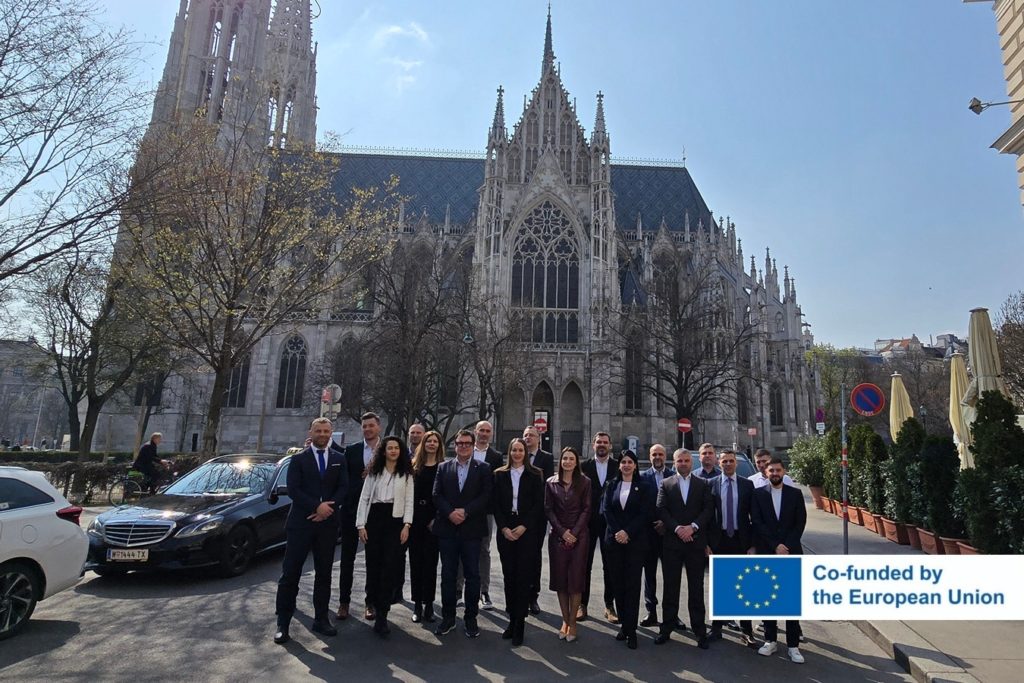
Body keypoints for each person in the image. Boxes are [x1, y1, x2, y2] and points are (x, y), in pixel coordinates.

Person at [274, 418, 348, 645]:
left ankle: (321, 619)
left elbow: (344, 487)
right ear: (311, 432)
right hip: (301, 523)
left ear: (331, 433)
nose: (322, 434)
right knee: (290, 574)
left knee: (324, 574)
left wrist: (327, 509)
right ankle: (283, 623)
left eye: (326, 431)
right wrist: (316, 507)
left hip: (327, 525)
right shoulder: (298, 459)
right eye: (318, 431)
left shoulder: (339, 459)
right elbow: (294, 489)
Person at [433, 429, 494, 638]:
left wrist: (466, 511)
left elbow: (486, 495)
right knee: (448, 575)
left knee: (473, 575)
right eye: (460, 443)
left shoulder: (483, 468)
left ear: (473, 445)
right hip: (448, 529)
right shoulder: (443, 467)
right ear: (455, 445)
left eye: (468, 443)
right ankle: (448, 618)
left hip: (472, 529)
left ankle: (471, 618)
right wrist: (450, 513)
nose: (464, 446)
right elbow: (436, 494)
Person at [357, 435, 415, 638]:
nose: (393, 451)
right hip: (374, 519)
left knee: (389, 567)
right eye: (389, 448)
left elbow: (409, 501)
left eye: (396, 448)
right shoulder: (374, 472)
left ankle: (383, 614)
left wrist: (407, 525)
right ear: (383, 451)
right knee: (373, 564)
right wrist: (361, 525)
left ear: (400, 451)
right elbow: (364, 498)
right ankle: (370, 601)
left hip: (395, 521)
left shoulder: (406, 474)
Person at [655, 448, 713, 649]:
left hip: (695, 543)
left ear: (691, 462)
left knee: (696, 589)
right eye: (680, 460)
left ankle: (699, 630)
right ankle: (666, 628)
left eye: (687, 460)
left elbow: (708, 510)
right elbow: (661, 509)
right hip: (672, 543)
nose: (683, 463)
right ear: (674, 462)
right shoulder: (666, 483)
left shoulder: (703, 484)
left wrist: (693, 527)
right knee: (670, 588)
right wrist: (678, 528)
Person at [752, 457, 807, 664]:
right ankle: (770, 640)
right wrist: (775, 545)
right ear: (766, 473)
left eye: (778, 470)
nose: (774, 473)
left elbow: (800, 522)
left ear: (784, 471)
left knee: (791, 600)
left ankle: (793, 646)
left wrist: (786, 546)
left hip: (790, 552)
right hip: (768, 551)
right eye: (771, 470)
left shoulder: (795, 494)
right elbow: (757, 523)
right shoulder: (758, 494)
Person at [492, 437, 545, 646]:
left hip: (526, 530)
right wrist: (504, 528)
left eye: (520, 450)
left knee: (523, 577)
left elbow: (538, 505)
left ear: (525, 453)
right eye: (514, 450)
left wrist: (524, 526)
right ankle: (511, 620)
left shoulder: (535, 474)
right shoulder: (499, 474)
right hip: (506, 529)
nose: (517, 453)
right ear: (509, 452)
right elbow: (495, 504)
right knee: (509, 577)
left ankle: (520, 624)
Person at [601, 449, 654, 650]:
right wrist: (618, 532)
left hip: (635, 542)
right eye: (623, 462)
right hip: (614, 542)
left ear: (635, 465)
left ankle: (631, 631)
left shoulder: (644, 486)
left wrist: (627, 532)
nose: (626, 465)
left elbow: (645, 513)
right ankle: (624, 625)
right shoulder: (611, 485)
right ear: (619, 465)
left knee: (632, 586)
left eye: (630, 462)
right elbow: (607, 510)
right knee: (618, 585)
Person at [707, 449, 758, 646]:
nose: (728, 464)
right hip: (719, 540)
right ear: (718, 463)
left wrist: (753, 544)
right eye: (724, 461)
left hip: (740, 540)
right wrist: (707, 543)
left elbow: (754, 517)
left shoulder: (747, 485)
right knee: (720, 585)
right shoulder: (711, 484)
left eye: (731, 461)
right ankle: (716, 628)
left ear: (736, 463)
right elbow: (708, 516)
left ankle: (746, 630)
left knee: (745, 585)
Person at [545, 446, 591, 642]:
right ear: (560, 461)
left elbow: (587, 509)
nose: (568, 462)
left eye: (571, 459)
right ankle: (564, 620)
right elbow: (548, 509)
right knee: (561, 580)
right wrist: (563, 532)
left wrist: (574, 532)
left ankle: (573, 623)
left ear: (576, 462)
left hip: (579, 537)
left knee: (575, 581)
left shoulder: (585, 482)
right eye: (565, 458)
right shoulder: (551, 482)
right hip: (558, 536)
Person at [339, 412, 382, 621]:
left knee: (373, 560)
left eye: (371, 425)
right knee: (347, 559)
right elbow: (344, 480)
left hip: (377, 513)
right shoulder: (352, 450)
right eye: (364, 426)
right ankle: (344, 602)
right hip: (351, 511)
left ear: (378, 427)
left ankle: (370, 602)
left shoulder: (387, 449)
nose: (367, 429)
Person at [580, 431, 618, 623]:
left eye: (605, 442)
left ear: (610, 445)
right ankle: (582, 604)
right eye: (598, 442)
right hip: (588, 522)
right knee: (584, 564)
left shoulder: (618, 466)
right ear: (593, 445)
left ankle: (609, 605)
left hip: (610, 523)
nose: (601, 445)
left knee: (610, 565)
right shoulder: (584, 466)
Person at [409, 429, 444, 624]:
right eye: (428, 441)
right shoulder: (414, 467)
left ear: (439, 445)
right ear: (423, 444)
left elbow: (445, 496)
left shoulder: (444, 467)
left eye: (435, 441)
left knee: (430, 564)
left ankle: (429, 605)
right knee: (416, 563)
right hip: (415, 519)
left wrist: (436, 519)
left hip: (434, 521)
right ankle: (417, 604)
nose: (432, 444)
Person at [470, 420, 503, 610]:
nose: (484, 433)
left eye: (487, 431)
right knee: (462, 549)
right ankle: (459, 590)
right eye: (481, 430)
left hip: (485, 511)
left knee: (484, 550)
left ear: (491, 434)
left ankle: (484, 591)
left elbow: (496, 486)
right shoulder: (466, 451)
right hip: (465, 510)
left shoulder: (496, 457)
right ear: (475, 432)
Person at [523, 425, 553, 614]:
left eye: (532, 435)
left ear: (538, 438)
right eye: (526, 435)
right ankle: (519, 594)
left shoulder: (546, 458)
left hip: (537, 516)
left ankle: (533, 596)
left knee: (534, 556)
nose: (528, 438)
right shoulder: (517, 455)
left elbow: (547, 486)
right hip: (518, 515)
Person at [639, 443, 669, 627]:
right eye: (654, 454)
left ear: (665, 456)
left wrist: (665, 523)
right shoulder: (642, 477)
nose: (657, 457)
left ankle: (671, 614)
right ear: (650, 456)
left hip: (669, 533)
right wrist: (653, 522)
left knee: (671, 576)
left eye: (660, 454)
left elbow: (677, 505)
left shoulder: (673, 476)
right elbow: (641, 505)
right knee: (649, 575)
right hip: (649, 533)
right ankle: (651, 611)